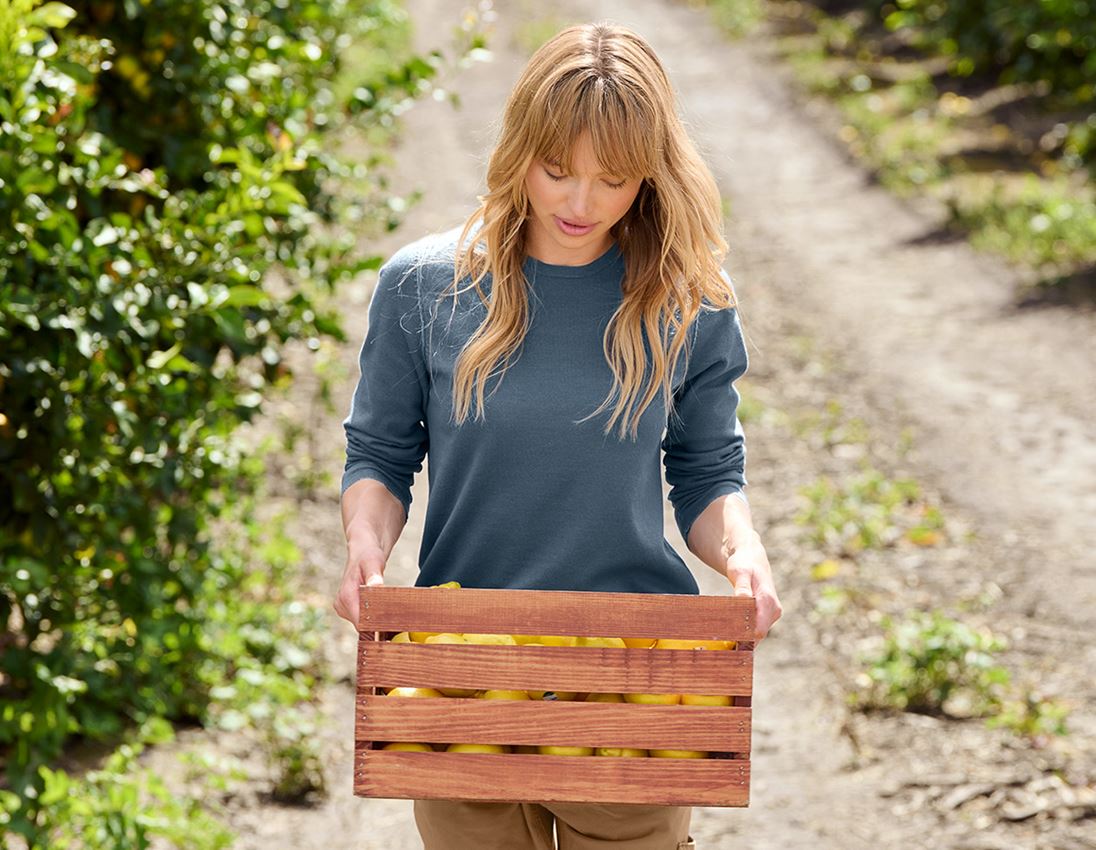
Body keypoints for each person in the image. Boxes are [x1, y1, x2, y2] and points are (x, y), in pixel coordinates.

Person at [333, 19, 782, 850]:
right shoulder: (424, 287)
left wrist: (742, 554)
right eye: (557, 170)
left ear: (650, 175)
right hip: (464, 675)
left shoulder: (689, 302)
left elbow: (707, 468)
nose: (581, 203)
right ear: (520, 151)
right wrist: (367, 545)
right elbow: (383, 454)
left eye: (614, 179)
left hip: (633, 679)